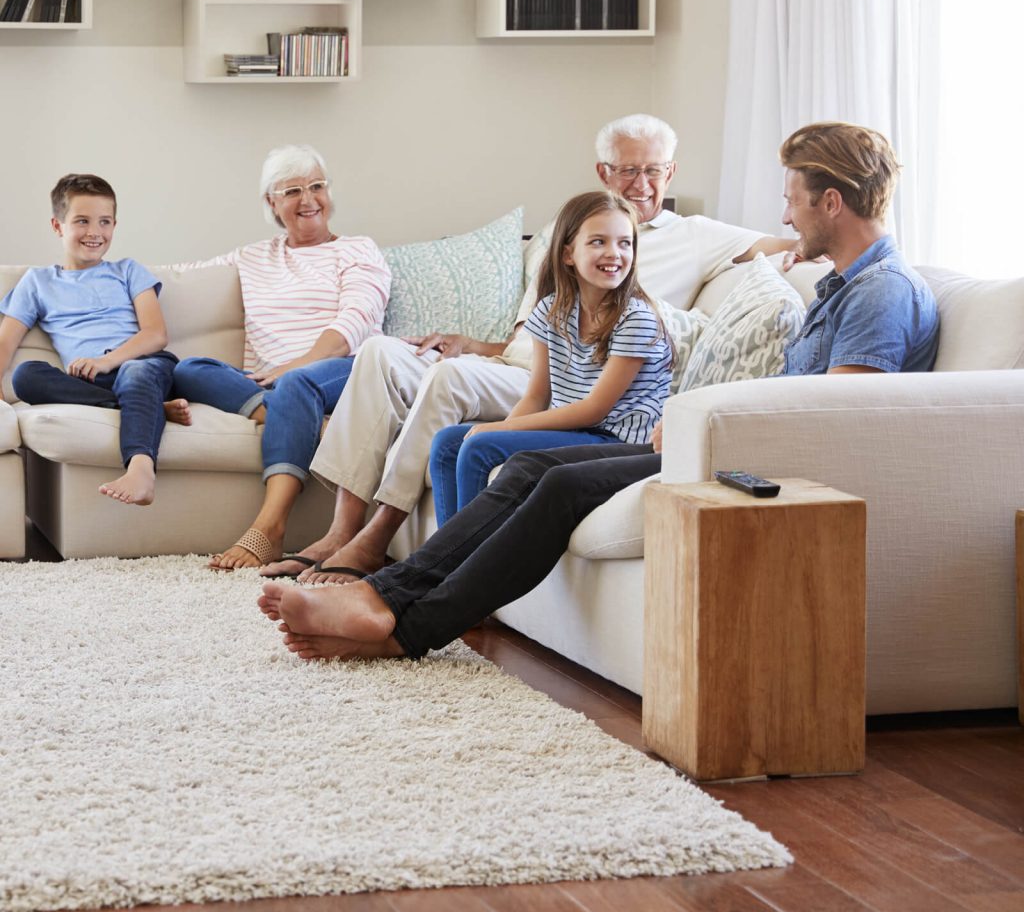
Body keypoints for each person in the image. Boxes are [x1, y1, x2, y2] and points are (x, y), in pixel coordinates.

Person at [258, 120, 940, 661]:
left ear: (831, 201)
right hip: (725, 444)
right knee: (527, 465)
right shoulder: (842, 284)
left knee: (553, 484)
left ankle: (400, 623)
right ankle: (384, 595)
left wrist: (705, 415)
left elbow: (837, 418)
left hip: (761, 468)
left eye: (793, 200)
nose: (786, 217)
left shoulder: (882, 292)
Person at [263, 113, 795, 584]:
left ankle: (389, 542)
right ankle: (350, 533)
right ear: (603, 173)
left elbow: (791, 241)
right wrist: (474, 346)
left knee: (453, 393)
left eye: (654, 170)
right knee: (380, 353)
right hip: (517, 366)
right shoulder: (560, 248)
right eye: (629, 170)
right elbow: (532, 348)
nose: (642, 183)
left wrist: (793, 259)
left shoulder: (694, 240)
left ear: (671, 173)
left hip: (595, 405)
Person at [172, 144, 391, 570]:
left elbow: (354, 324)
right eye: (292, 191)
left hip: (346, 372)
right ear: (271, 203)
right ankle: (300, 418)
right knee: (188, 369)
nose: (308, 200)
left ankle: (269, 529)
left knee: (296, 384)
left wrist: (294, 366)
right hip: (277, 383)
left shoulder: (358, 250)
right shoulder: (253, 256)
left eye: (316, 186)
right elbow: (180, 277)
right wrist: (104, 274)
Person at [428, 189, 672, 525]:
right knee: (446, 443)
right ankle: (444, 561)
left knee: (479, 447)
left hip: (622, 442)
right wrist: (502, 430)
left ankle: (457, 565)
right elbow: (537, 395)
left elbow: (593, 410)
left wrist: (502, 428)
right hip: (581, 432)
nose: (614, 253)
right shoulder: (550, 311)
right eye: (598, 242)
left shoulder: (636, 318)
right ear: (568, 253)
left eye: (625, 243)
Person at [0, 173, 190, 507]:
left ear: (115, 225)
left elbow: (155, 334)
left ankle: (140, 467)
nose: (94, 232)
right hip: (91, 381)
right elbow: (5, 342)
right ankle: (146, 409)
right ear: (58, 226)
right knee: (26, 375)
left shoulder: (128, 271)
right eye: (82, 221)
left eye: (104, 222)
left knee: (134, 374)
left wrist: (107, 359)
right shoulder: (37, 281)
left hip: (143, 367)